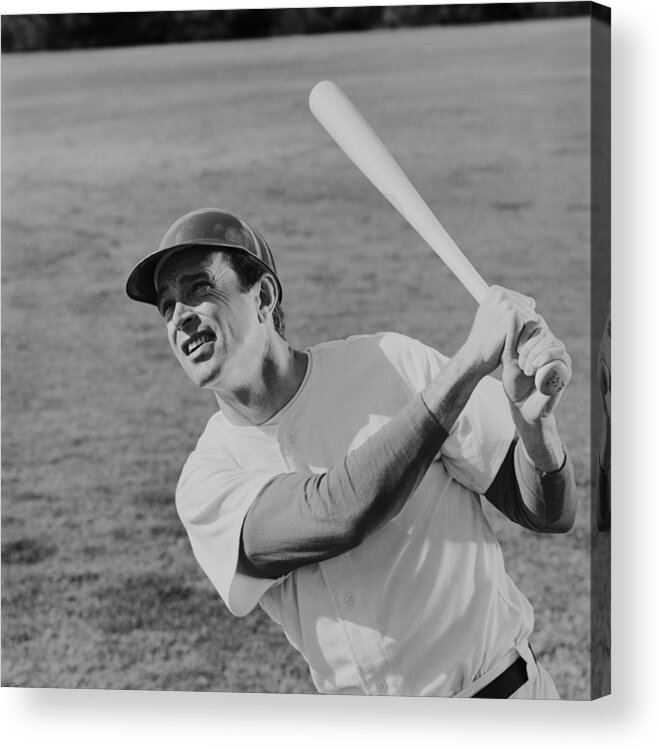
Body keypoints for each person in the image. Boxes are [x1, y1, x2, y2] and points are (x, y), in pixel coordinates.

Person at [126, 208, 576, 699]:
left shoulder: (391, 363)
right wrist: (468, 366)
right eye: (166, 305)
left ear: (264, 296)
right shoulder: (206, 479)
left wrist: (536, 423)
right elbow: (337, 514)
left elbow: (550, 512)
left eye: (198, 288)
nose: (179, 316)